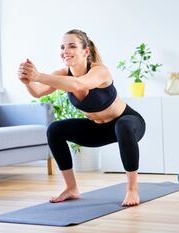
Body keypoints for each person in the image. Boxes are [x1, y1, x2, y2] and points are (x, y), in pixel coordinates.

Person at [18, 29, 146, 206]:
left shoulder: (100, 71)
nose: (65, 51)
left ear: (86, 51)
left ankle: (132, 190)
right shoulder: (62, 74)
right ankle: (71, 188)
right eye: (62, 47)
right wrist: (28, 81)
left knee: (122, 125)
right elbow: (38, 92)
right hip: (99, 129)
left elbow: (78, 84)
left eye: (71, 46)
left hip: (129, 123)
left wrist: (38, 76)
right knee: (55, 130)